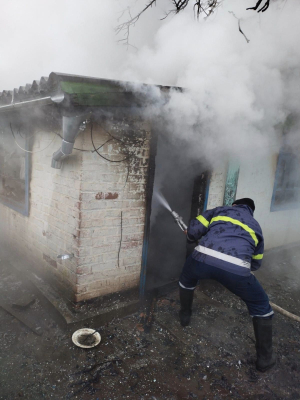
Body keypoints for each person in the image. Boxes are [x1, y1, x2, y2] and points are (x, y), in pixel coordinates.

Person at [179, 198, 276, 372]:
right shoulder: (255, 225)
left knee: (186, 280)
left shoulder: (220, 210)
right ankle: (265, 360)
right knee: (261, 306)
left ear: (234, 205)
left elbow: (194, 231)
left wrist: (191, 235)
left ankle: (185, 316)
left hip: (201, 259)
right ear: (250, 211)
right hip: (237, 271)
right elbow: (255, 263)